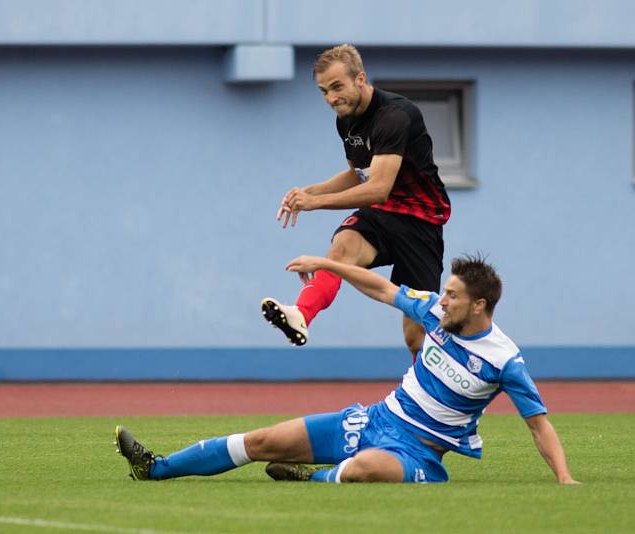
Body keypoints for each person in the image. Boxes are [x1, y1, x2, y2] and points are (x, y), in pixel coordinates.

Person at [115, 254, 578, 485]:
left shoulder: (504, 358)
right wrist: (325, 264)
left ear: (479, 305)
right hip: (374, 419)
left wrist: (564, 480)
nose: (443, 299)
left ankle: (312, 478)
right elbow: (379, 286)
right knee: (260, 441)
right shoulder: (434, 313)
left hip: (418, 454)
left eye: (453, 295)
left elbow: (539, 425)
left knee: (361, 470)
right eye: (444, 291)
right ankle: (155, 468)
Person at [262, 44, 451, 359]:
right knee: (341, 249)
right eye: (324, 91)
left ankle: (438, 399)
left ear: (360, 78)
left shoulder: (396, 116)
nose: (331, 98)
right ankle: (301, 315)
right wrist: (310, 191)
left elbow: (378, 188)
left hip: (421, 222)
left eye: (337, 87)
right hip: (381, 215)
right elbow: (358, 174)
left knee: (416, 335)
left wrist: (315, 204)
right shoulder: (345, 120)